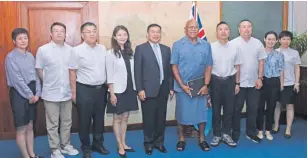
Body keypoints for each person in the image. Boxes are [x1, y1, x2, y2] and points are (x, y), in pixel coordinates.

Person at [35, 22, 79, 158]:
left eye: (62, 31)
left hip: (66, 92)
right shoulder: (43, 50)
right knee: (52, 124)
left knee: (67, 121)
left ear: (65, 34)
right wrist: (48, 81)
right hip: (50, 93)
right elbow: (39, 69)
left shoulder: (71, 50)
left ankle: (65, 145)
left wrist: (72, 91)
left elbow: (73, 71)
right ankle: (55, 149)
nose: (59, 33)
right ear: (51, 34)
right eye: (56, 31)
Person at [68, 22, 109, 158]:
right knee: (85, 120)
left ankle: (98, 144)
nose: (92, 34)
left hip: (101, 90)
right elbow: (72, 72)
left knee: (99, 119)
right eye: (88, 31)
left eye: (94, 31)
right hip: (84, 90)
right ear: (82, 35)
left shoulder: (103, 48)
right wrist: (74, 93)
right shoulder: (76, 50)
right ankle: (86, 147)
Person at [171, 19, 212, 152]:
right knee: (182, 114)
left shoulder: (206, 45)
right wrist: (181, 85)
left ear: (198, 29)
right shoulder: (177, 45)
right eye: (190, 27)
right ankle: (181, 139)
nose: (193, 29)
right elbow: (174, 66)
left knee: (201, 114)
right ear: (185, 29)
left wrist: (206, 85)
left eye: (196, 27)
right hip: (183, 87)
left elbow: (209, 66)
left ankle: (202, 139)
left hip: (200, 87)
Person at [134, 23, 174, 155]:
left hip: (163, 89)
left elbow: (169, 71)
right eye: (153, 32)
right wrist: (140, 89)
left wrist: (171, 87)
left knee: (161, 118)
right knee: (149, 118)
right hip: (147, 89)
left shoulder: (166, 49)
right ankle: (149, 143)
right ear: (147, 34)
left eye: (158, 32)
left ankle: (159, 143)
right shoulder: (140, 49)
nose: (155, 34)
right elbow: (137, 71)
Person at [5, 28, 44, 158]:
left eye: (25, 38)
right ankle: (25, 156)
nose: (23, 41)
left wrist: (38, 93)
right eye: (20, 38)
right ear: (14, 41)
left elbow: (36, 76)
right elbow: (17, 80)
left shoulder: (30, 56)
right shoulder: (11, 57)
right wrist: (29, 95)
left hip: (33, 93)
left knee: (30, 125)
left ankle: (32, 154)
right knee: (21, 127)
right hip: (19, 94)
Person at [231, 19, 267, 143]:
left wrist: (260, 78)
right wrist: (235, 83)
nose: (246, 29)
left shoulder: (258, 44)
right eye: (244, 27)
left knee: (253, 109)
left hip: (254, 83)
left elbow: (261, 62)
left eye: (249, 26)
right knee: (236, 109)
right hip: (238, 84)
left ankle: (251, 132)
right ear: (239, 29)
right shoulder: (233, 43)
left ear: (252, 29)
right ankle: (235, 133)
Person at [106, 25, 139, 158]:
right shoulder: (110, 53)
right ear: (114, 37)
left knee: (125, 117)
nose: (122, 37)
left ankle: (124, 143)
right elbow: (109, 74)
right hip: (117, 90)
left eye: (124, 34)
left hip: (130, 89)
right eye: (119, 35)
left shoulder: (130, 51)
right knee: (117, 118)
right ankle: (119, 145)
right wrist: (112, 93)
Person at [210, 21, 242, 147]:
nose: (223, 32)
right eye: (220, 29)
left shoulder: (235, 47)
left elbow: (238, 66)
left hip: (230, 81)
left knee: (229, 110)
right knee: (216, 110)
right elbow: (207, 67)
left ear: (229, 32)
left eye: (226, 29)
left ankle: (226, 134)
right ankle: (217, 134)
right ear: (216, 32)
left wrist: (237, 83)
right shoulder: (210, 47)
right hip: (215, 81)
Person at [256, 31, 284, 141]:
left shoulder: (279, 54)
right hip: (261, 81)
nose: (270, 41)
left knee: (271, 107)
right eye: (268, 39)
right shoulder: (259, 52)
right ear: (264, 39)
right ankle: (259, 131)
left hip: (274, 82)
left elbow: (281, 70)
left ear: (276, 41)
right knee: (260, 107)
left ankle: (268, 130)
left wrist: (281, 84)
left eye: (273, 39)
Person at [273, 31, 301, 139]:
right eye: (283, 39)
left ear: (291, 40)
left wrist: (297, 83)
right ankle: (276, 126)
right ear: (279, 40)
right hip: (277, 83)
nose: (286, 41)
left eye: (288, 39)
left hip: (290, 83)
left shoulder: (294, 53)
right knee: (277, 105)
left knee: (290, 106)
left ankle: (288, 129)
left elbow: (297, 68)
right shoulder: (275, 52)